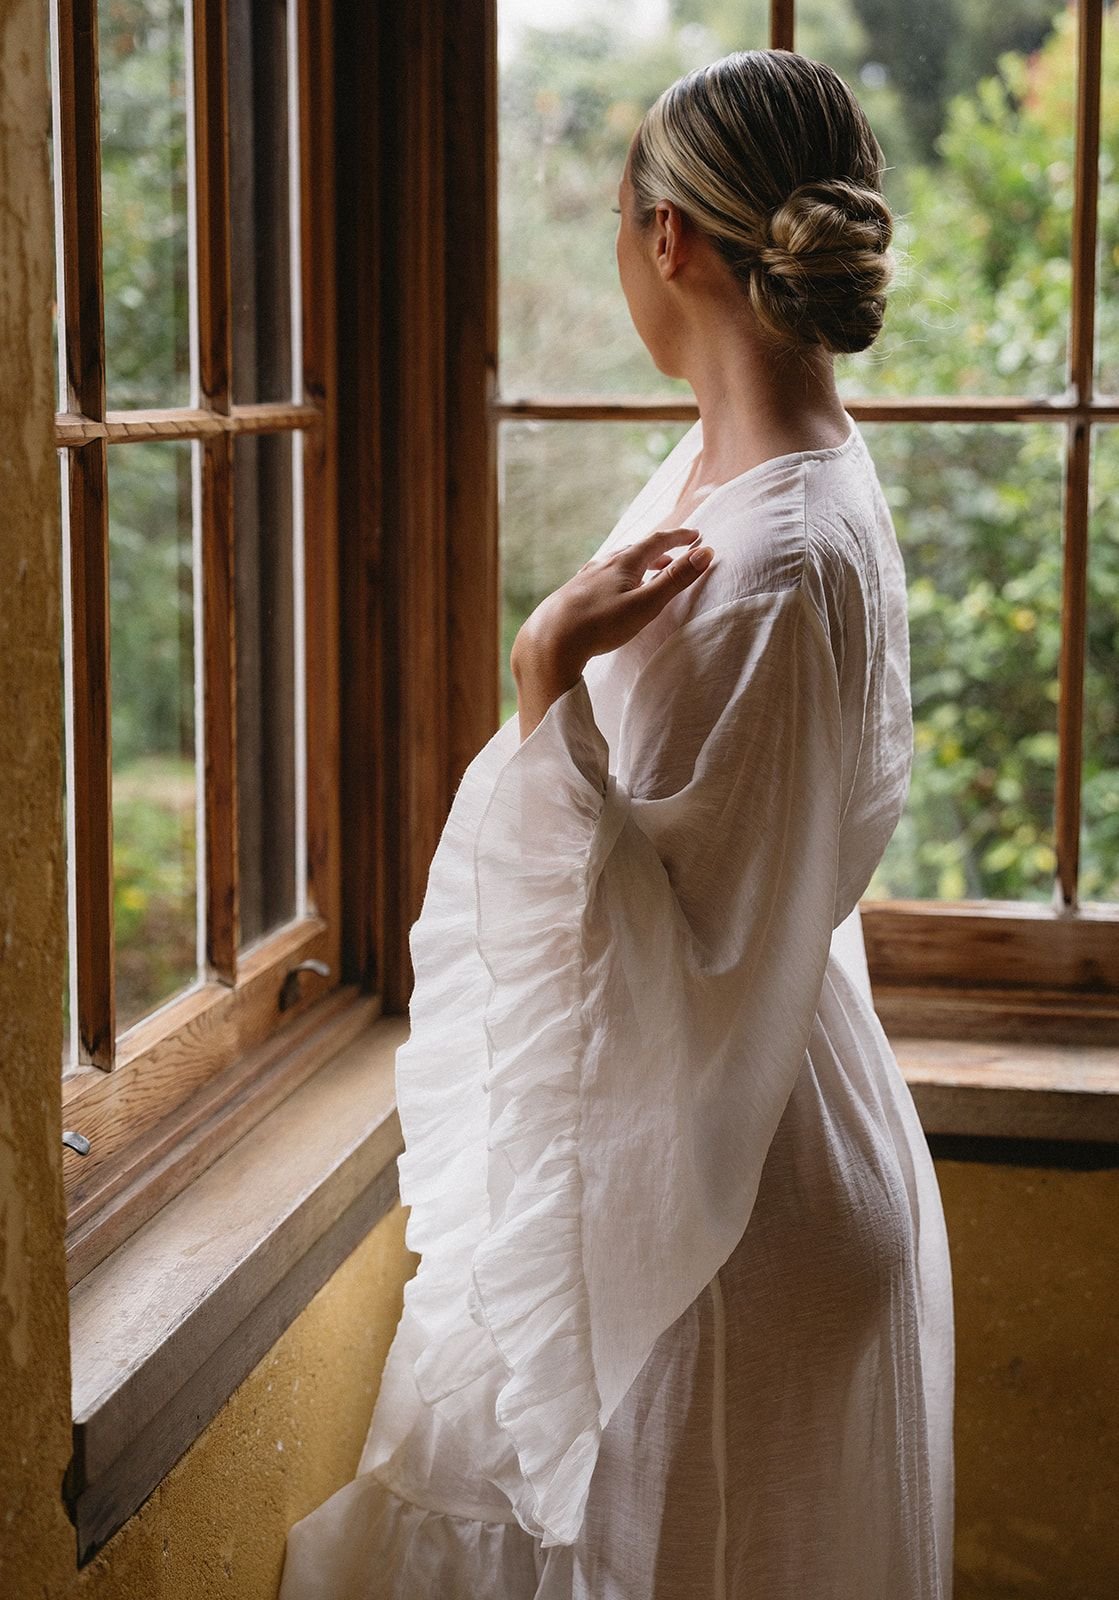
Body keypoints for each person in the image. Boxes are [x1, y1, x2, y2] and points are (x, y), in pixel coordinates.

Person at [278, 47, 955, 1600]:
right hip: (766, 1119)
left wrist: (541, 682)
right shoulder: (779, 472)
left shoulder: (771, 554)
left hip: (716, 1209)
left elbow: (642, 937)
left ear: (667, 241)